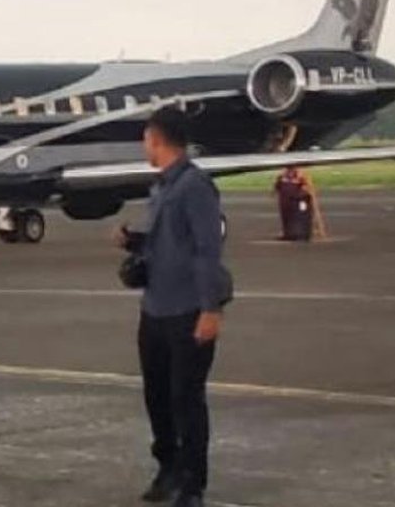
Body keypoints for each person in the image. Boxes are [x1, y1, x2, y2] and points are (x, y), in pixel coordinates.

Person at [117, 107, 229, 507]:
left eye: (146, 139)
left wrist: (210, 309)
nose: (144, 147)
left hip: (187, 311)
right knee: (158, 397)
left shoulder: (195, 186)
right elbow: (166, 239)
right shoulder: (161, 186)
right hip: (155, 309)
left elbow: (207, 250)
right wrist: (133, 242)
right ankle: (168, 467)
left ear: (158, 140)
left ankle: (192, 485)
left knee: (187, 400)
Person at [274, 166, 326, 241]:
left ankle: (302, 233)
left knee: (302, 215)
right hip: (288, 200)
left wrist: (305, 190)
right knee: (287, 216)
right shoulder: (282, 176)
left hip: (301, 200)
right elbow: (278, 186)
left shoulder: (301, 175)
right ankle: (288, 233)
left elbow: (308, 188)